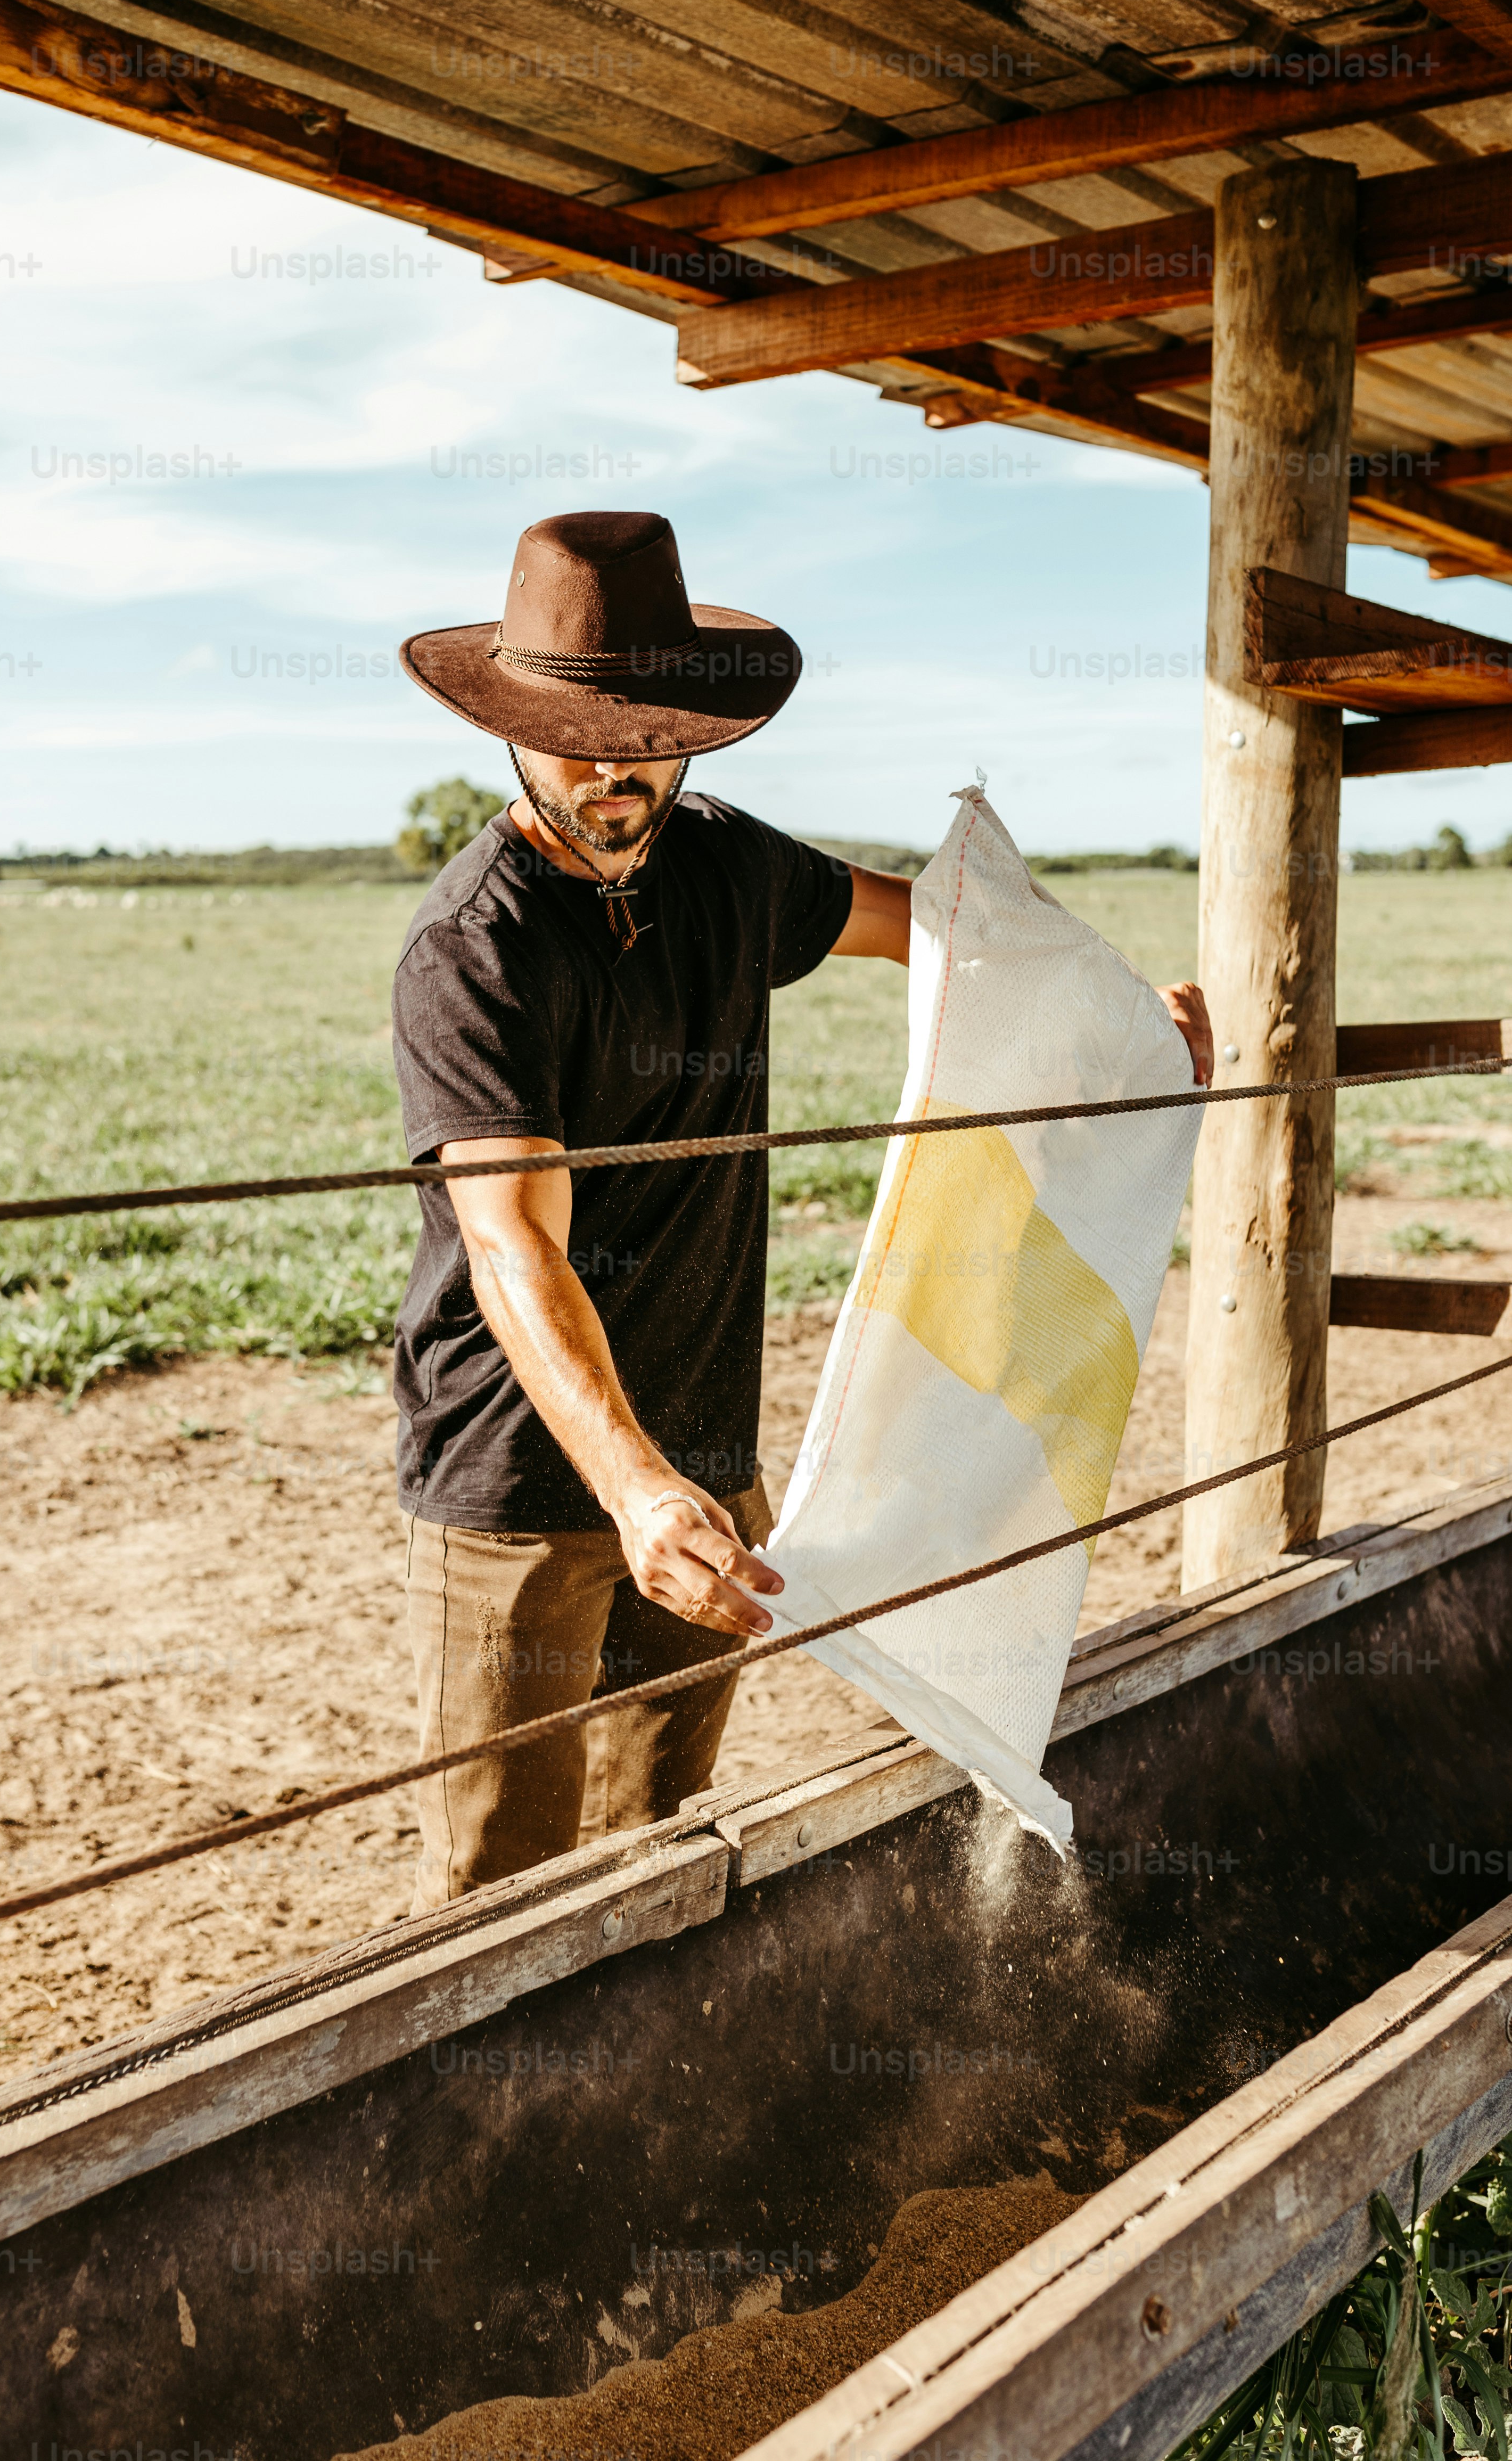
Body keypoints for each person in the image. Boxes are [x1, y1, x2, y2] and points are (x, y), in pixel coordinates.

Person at [390, 510, 1211, 1909]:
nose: (621, 769)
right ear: (511, 723)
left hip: (710, 1457)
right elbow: (512, 1244)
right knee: (497, 1890)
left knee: (669, 1845)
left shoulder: (722, 863)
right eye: (584, 733)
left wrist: (1127, 1023)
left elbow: (952, 942)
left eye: (652, 734)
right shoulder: (476, 952)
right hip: (528, 1479)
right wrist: (635, 1485)